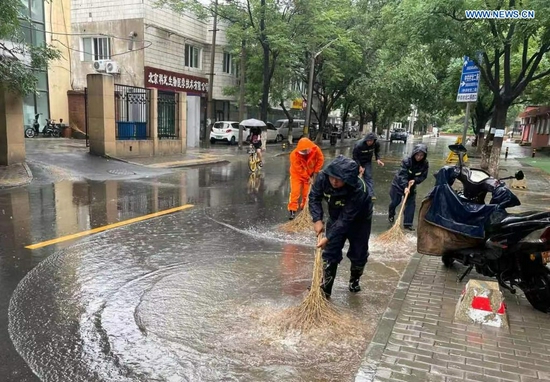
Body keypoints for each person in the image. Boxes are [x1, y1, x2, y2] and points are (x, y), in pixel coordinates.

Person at [309, 155, 373, 298]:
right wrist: (317, 219)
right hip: (335, 216)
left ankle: (354, 280)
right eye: (332, 177)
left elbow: (346, 219)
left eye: (339, 179)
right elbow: (314, 197)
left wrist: (329, 236)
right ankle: (325, 289)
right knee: (330, 252)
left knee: (359, 253)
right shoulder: (322, 178)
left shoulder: (358, 189)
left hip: (358, 220)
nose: (334, 181)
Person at [388, 143, 429, 231]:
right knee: (395, 201)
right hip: (398, 184)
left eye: (421, 155)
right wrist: (405, 187)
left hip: (412, 185)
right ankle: (391, 213)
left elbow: (423, 176)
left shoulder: (425, 164)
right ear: (414, 153)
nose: (419, 157)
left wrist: (416, 180)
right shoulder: (407, 161)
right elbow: (402, 175)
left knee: (411, 204)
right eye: (417, 155)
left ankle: (407, 224)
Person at [288, 137, 324, 220]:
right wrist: (308, 178)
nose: (304, 152)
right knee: (295, 192)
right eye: (302, 151)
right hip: (297, 174)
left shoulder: (315, 149)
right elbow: (299, 170)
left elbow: (320, 160)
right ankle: (292, 210)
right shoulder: (294, 155)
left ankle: (304, 208)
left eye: (305, 150)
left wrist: (315, 173)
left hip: (310, 173)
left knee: (306, 193)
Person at [352, 132, 384, 199]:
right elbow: (355, 157)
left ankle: (370, 194)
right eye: (368, 141)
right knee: (355, 177)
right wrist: (359, 166)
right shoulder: (359, 145)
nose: (369, 142)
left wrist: (378, 159)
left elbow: (377, 151)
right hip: (357, 161)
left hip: (367, 162)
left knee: (368, 177)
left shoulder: (376, 144)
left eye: (371, 141)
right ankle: (353, 193)